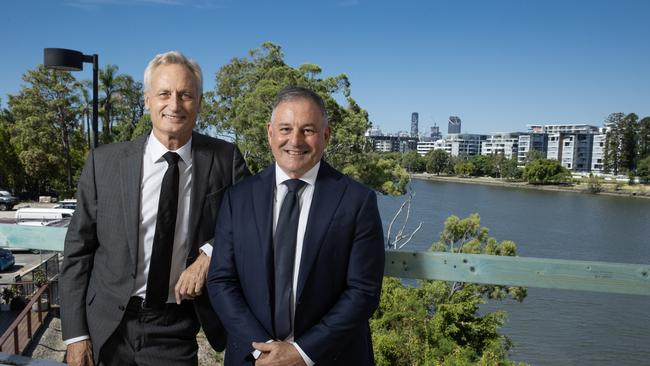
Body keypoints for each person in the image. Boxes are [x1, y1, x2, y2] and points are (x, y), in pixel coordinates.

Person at [60, 51, 250, 366]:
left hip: (174, 325)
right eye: (164, 94)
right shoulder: (103, 163)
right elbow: (78, 251)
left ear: (199, 102)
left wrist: (208, 256)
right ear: (147, 99)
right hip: (106, 324)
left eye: (185, 95)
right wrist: (76, 335)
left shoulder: (225, 159)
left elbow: (250, 225)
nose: (174, 105)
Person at [207, 86, 385, 365]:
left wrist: (302, 353)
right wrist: (263, 348)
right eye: (286, 128)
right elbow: (221, 281)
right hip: (253, 357)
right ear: (270, 133)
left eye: (308, 130)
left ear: (325, 135)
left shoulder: (357, 201)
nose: (295, 140)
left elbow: (363, 292)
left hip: (331, 357)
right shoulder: (238, 198)